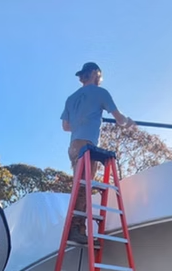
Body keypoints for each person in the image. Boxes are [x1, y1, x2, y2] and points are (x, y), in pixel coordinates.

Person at [61, 62, 135, 244]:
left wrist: (82, 121)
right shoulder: (100, 93)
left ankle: (77, 227)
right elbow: (119, 119)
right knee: (83, 186)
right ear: (95, 73)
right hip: (87, 145)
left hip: (73, 146)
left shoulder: (71, 98)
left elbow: (66, 126)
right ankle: (77, 229)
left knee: (79, 184)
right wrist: (128, 122)